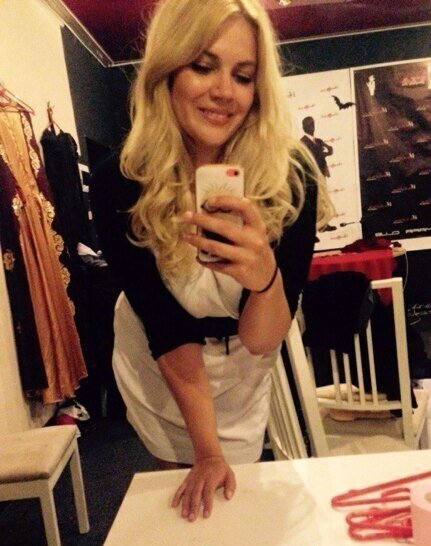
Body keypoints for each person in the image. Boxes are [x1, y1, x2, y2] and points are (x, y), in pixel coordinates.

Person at [90, 0, 332, 523]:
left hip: (246, 359)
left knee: (235, 494)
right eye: (203, 66)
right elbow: (164, 325)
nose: (225, 91)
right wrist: (206, 451)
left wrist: (265, 278)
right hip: (160, 364)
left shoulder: (291, 177)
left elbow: (262, 339)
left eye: (243, 76)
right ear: (167, 72)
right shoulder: (119, 180)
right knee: (186, 499)